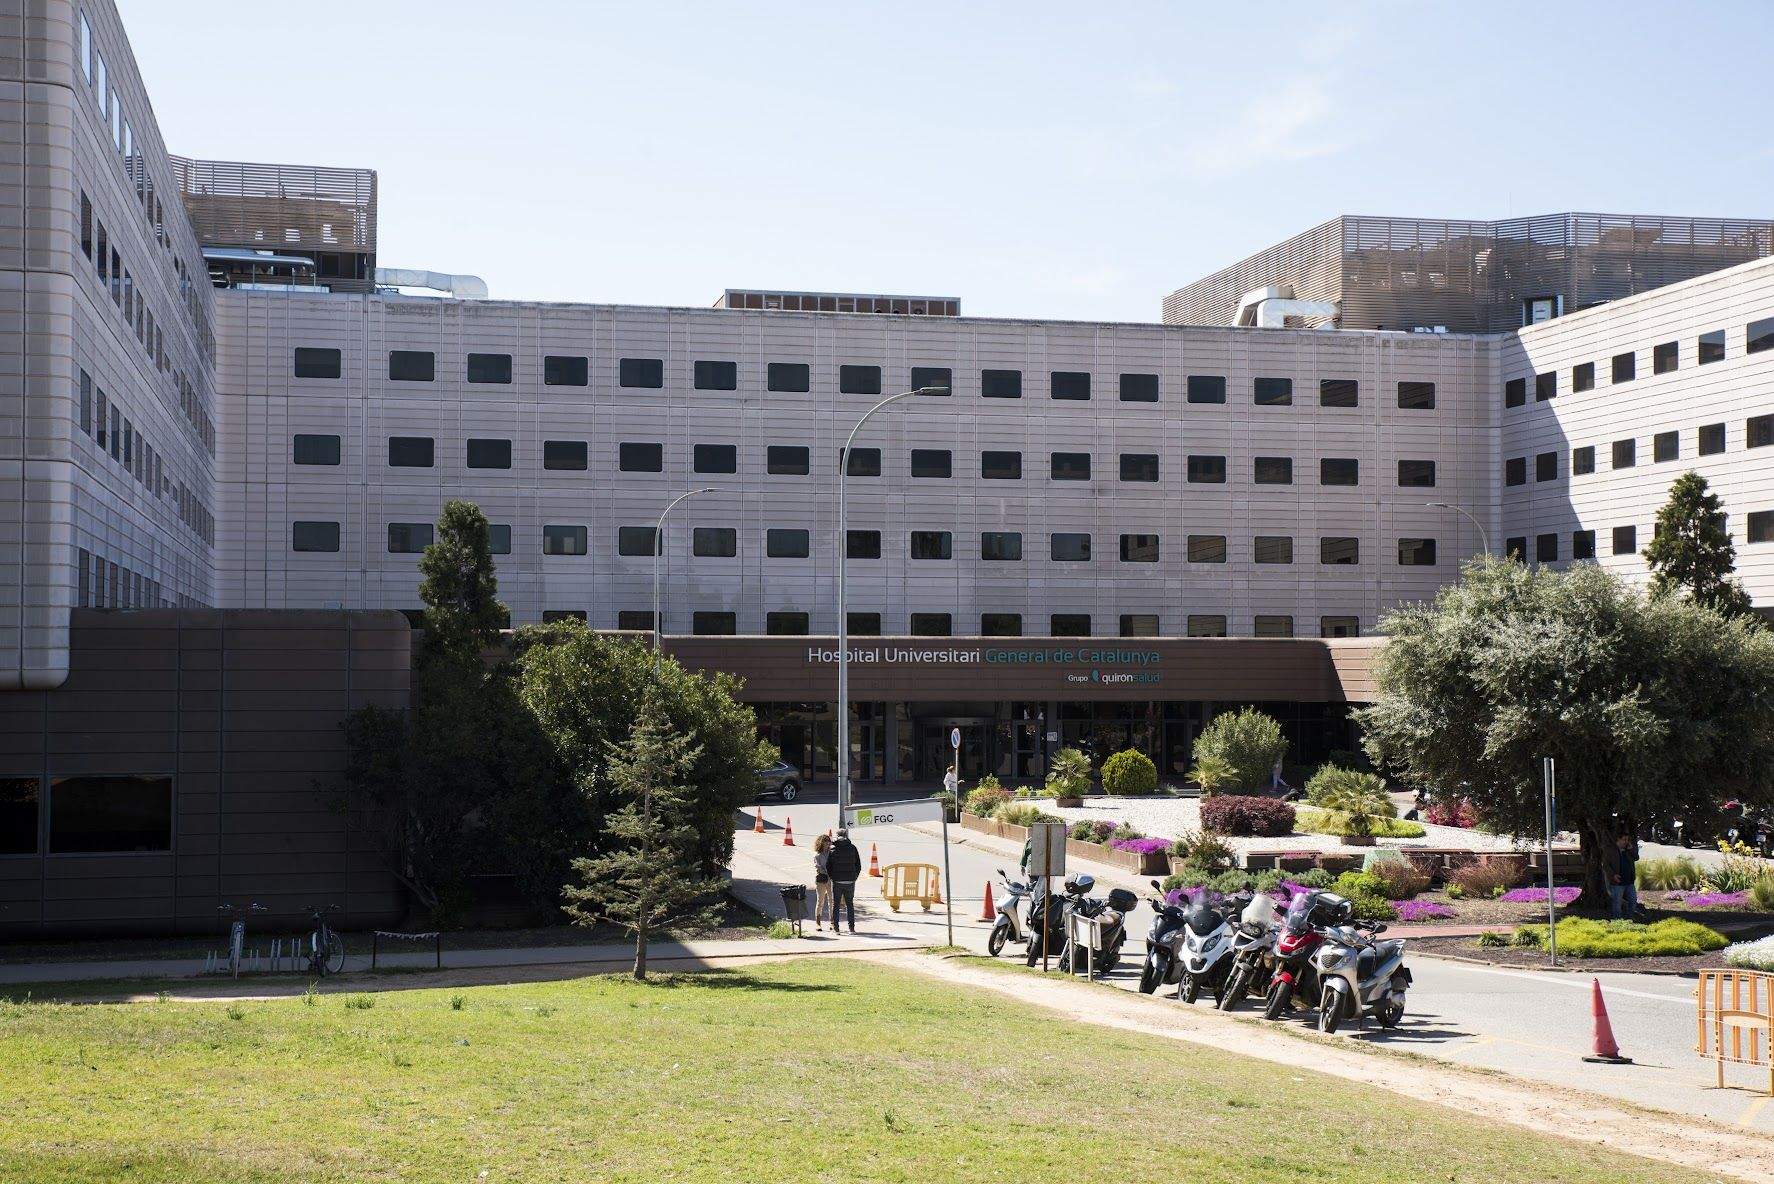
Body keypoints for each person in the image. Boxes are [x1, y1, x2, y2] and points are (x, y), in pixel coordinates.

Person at [826, 827, 863, 933]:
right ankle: (851, 928)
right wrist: (854, 877)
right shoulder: (853, 848)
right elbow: (858, 865)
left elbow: (828, 866)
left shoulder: (832, 848)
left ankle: (836, 928)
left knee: (836, 904)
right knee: (850, 904)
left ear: (837, 837)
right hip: (850, 881)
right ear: (846, 836)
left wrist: (833, 878)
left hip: (837, 881)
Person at [1609, 831, 1640, 919]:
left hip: (1629, 882)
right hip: (1618, 883)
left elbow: (1636, 858)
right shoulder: (1612, 850)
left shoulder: (1628, 850)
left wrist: (1631, 850)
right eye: (1624, 839)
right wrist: (1613, 875)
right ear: (1618, 840)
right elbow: (1606, 865)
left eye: (1627, 840)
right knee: (1617, 903)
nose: (1626, 841)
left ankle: (1630, 918)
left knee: (1633, 900)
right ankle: (1617, 920)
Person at [811, 833, 833, 931]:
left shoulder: (832, 854)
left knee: (831, 901)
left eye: (829, 842)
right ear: (821, 843)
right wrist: (827, 871)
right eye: (826, 842)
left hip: (831, 880)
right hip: (821, 880)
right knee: (820, 901)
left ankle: (832, 922)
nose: (828, 844)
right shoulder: (817, 856)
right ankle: (818, 923)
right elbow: (818, 867)